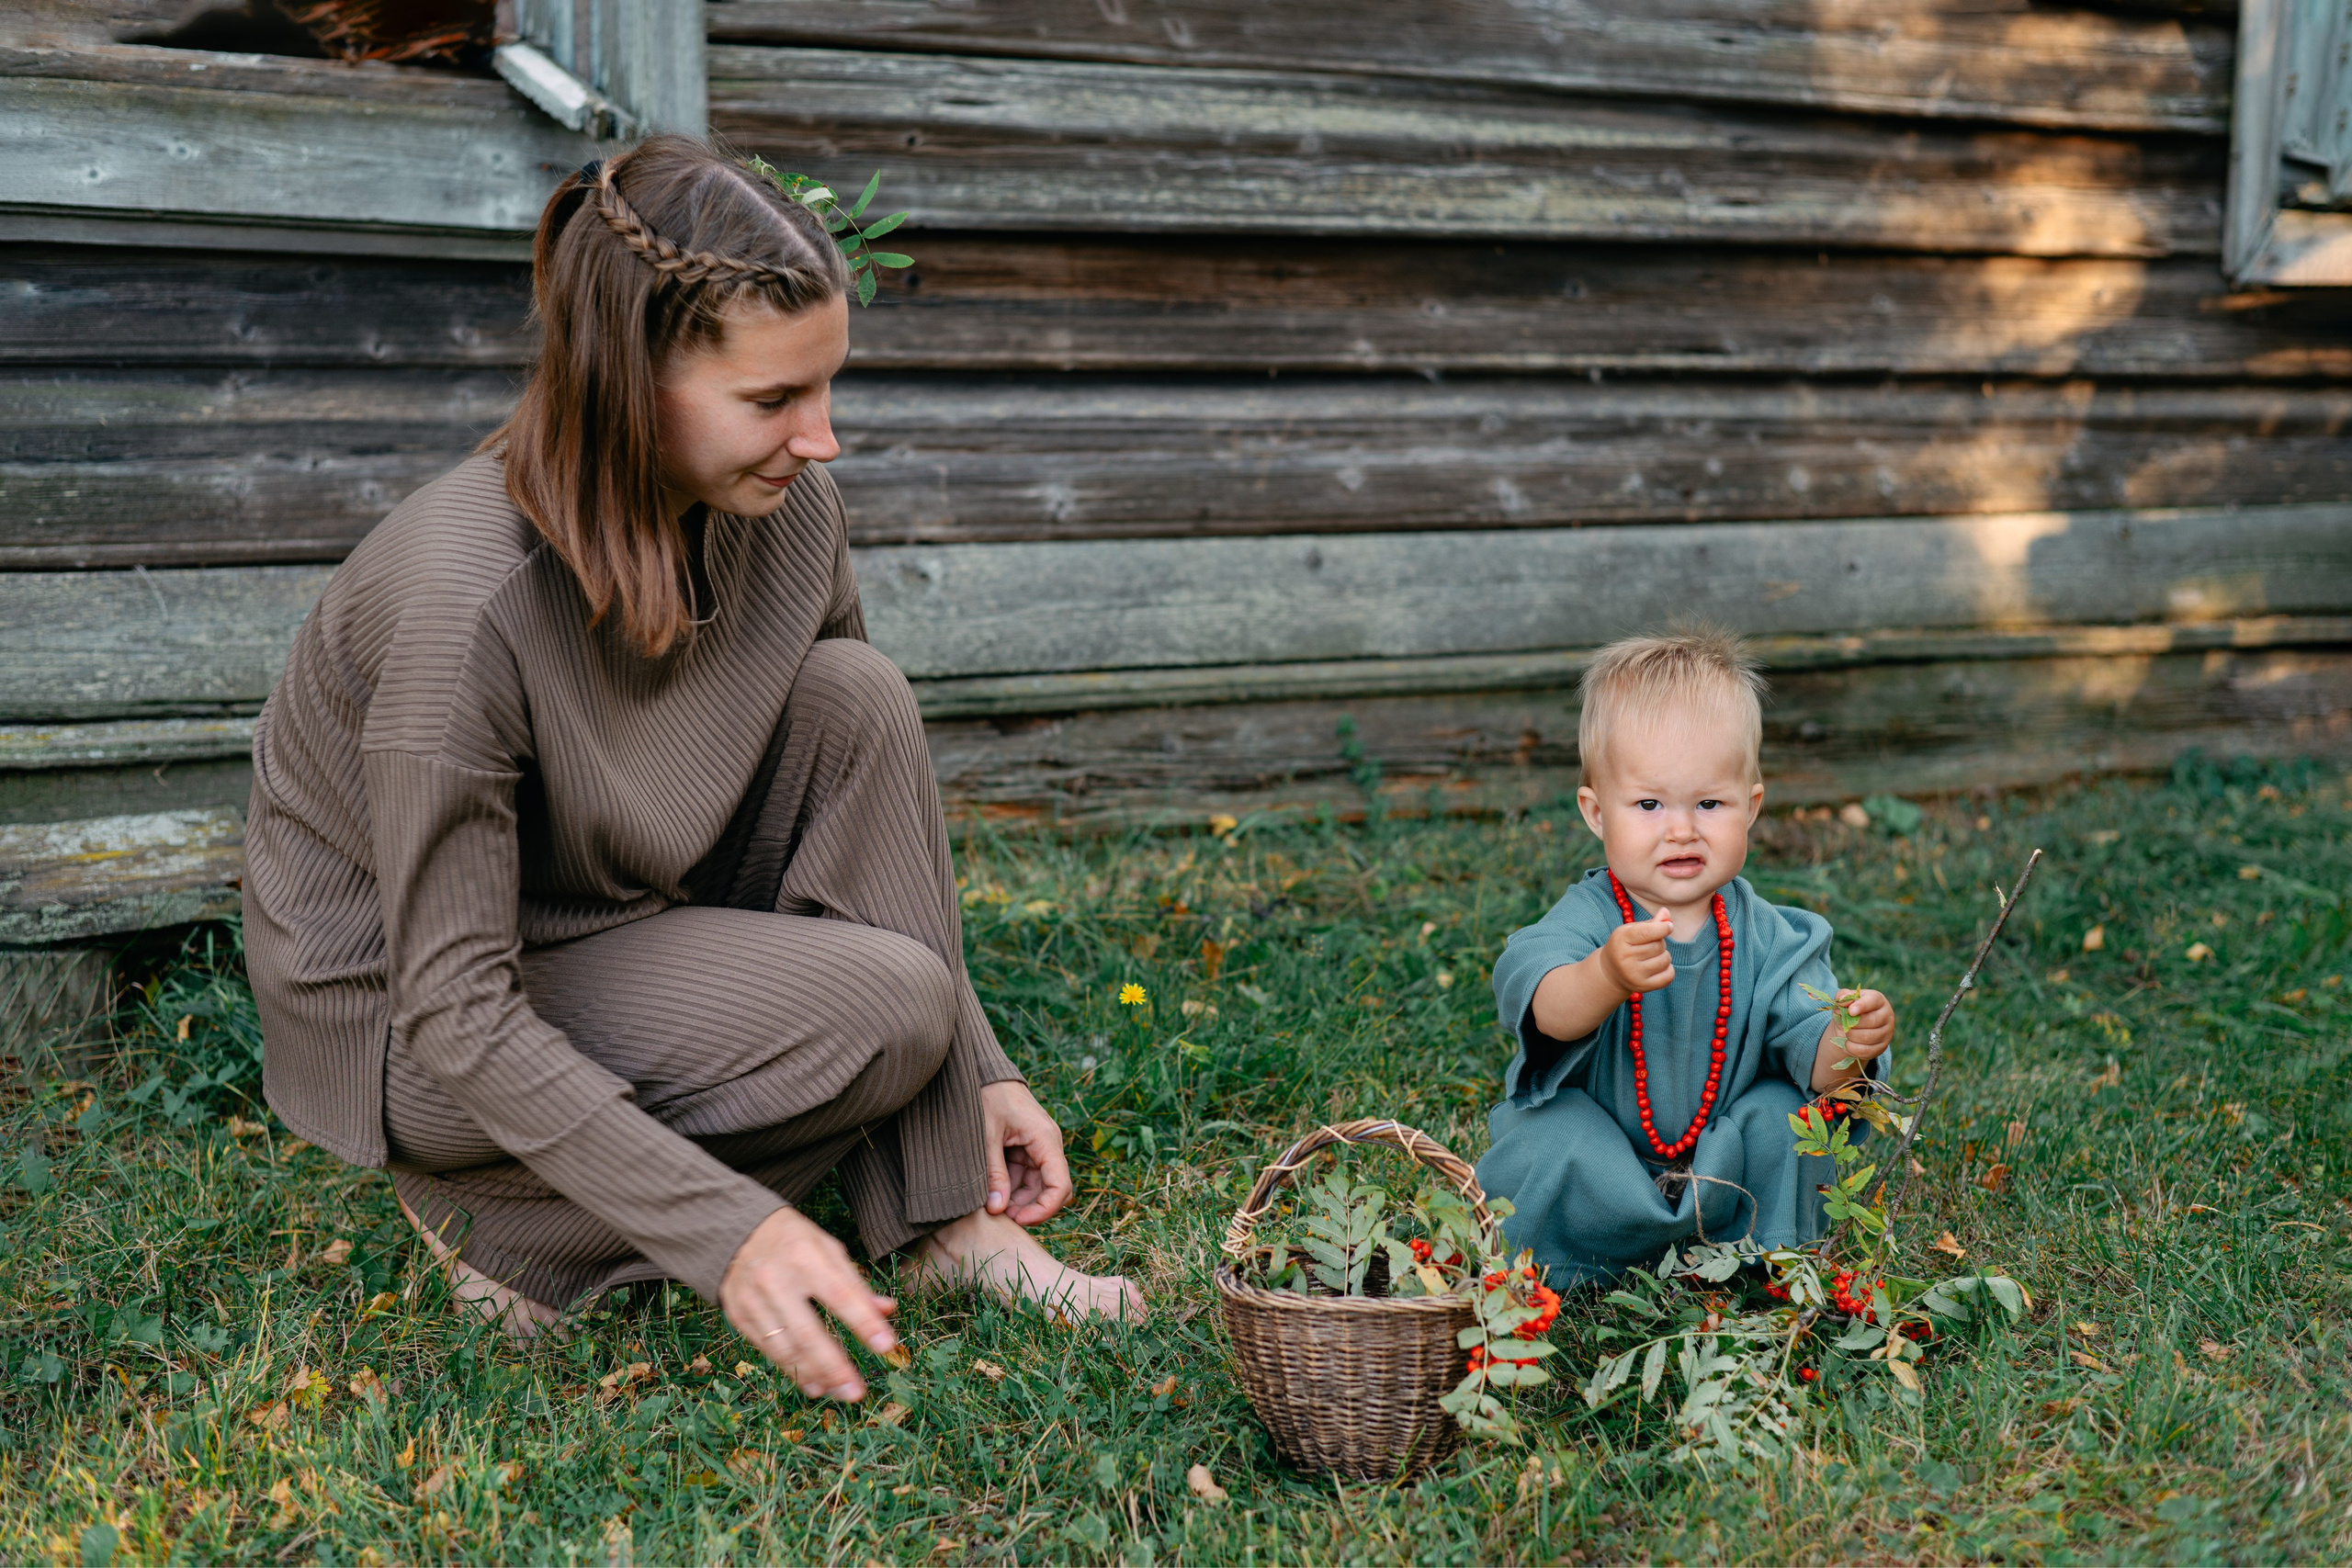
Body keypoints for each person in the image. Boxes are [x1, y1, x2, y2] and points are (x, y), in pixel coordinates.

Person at [241, 135, 1141, 1404]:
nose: (820, 439)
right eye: (773, 401)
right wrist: (730, 1232)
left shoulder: (784, 510)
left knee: (858, 695)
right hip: (418, 1019)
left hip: (625, 900)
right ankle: (508, 1229)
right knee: (886, 1005)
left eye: (825, 388)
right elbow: (453, 1003)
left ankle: (947, 1220)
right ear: (625, 380)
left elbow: (860, 796)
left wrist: (979, 1072)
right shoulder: (466, 598)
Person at [1475, 630, 1896, 1282]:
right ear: (1596, 812)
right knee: (1548, 1135)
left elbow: (1817, 1066)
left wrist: (1848, 1043)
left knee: (1786, 1118)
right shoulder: (1590, 918)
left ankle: (1765, 1249)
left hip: (1723, 1168)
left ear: (1751, 807)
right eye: (1648, 804)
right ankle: (1564, 1254)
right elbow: (1546, 1007)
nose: (1680, 829)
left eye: (1708, 803)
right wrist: (1604, 974)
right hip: (1600, 1164)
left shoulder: (1772, 937)